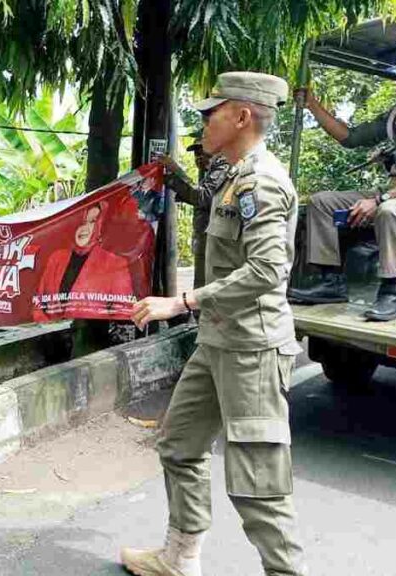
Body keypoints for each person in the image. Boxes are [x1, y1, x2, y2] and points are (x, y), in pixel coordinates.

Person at [121, 72, 307, 576]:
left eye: (212, 111)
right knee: (179, 445)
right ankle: (180, 557)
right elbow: (207, 206)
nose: (203, 120)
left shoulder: (263, 181)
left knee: (257, 485)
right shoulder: (232, 175)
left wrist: (182, 301)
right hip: (218, 340)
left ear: (242, 116)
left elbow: (268, 269)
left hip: (252, 348)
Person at [288, 43, 396, 321]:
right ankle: (331, 280)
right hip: (394, 191)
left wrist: (381, 199)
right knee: (322, 202)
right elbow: (350, 138)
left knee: (390, 211)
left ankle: (390, 292)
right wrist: (312, 104)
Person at [33, 202, 134, 321]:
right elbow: (37, 303)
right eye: (81, 222)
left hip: (91, 337)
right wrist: (46, 329)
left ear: (101, 225)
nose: (84, 228)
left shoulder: (115, 263)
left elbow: (123, 313)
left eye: (92, 221)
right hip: (52, 336)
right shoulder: (56, 258)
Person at [159, 131, 229, 289]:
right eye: (196, 154)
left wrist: (175, 172)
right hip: (204, 236)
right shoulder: (208, 171)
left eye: (202, 152)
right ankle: (199, 313)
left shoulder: (223, 166)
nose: (198, 158)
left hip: (215, 240)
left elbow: (201, 196)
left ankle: (200, 313)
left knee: (206, 286)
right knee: (201, 284)